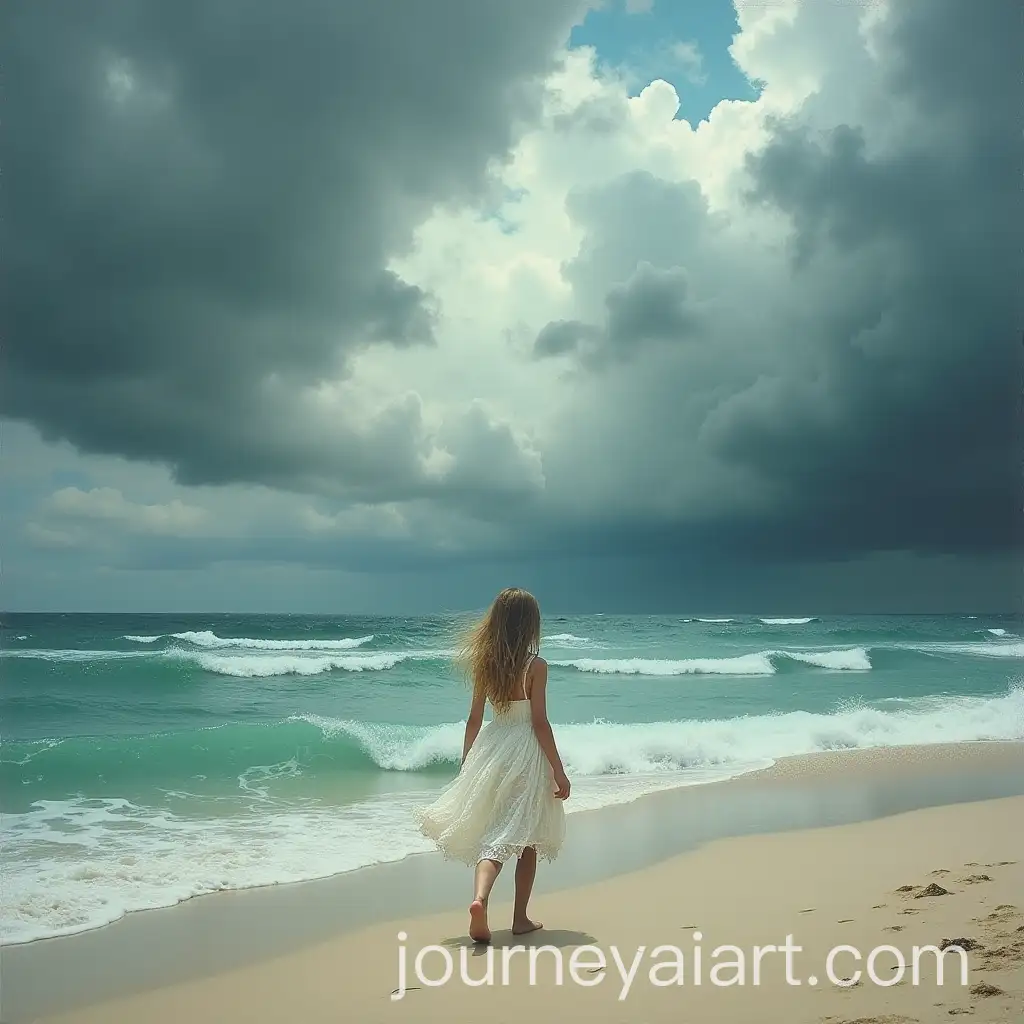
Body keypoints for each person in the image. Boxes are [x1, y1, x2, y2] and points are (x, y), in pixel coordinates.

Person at [416, 587, 570, 943]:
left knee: (496, 835)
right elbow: (539, 723)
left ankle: (479, 898)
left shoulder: (485, 663)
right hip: (526, 752)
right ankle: (520, 918)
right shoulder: (536, 666)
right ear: (531, 625)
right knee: (527, 836)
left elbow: (472, 720)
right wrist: (558, 769)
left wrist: (467, 763)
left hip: (494, 748)